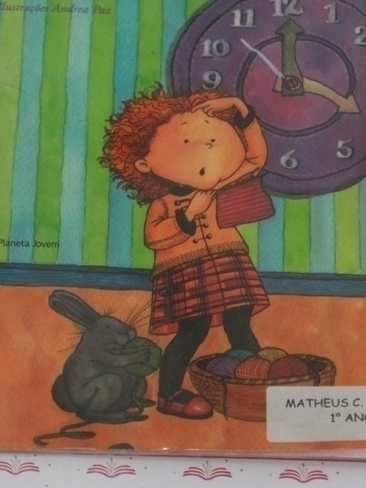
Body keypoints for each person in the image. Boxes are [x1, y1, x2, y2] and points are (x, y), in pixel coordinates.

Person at [100, 86, 271, 419]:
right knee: (194, 329)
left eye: (211, 140)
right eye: (186, 143)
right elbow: (154, 238)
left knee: (239, 321)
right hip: (183, 270)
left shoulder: (219, 185)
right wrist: (189, 214)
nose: (205, 148)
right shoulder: (163, 203)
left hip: (228, 259)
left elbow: (255, 158)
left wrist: (238, 107)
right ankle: (169, 394)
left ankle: (254, 381)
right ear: (144, 164)